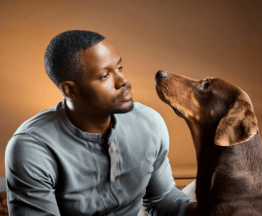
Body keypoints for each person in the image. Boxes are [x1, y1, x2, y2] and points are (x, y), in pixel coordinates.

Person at [5, 30, 197, 216]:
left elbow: (161, 199)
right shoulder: (32, 148)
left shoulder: (149, 122)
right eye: (105, 76)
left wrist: (200, 211)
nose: (124, 81)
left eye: (120, 68)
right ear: (71, 90)